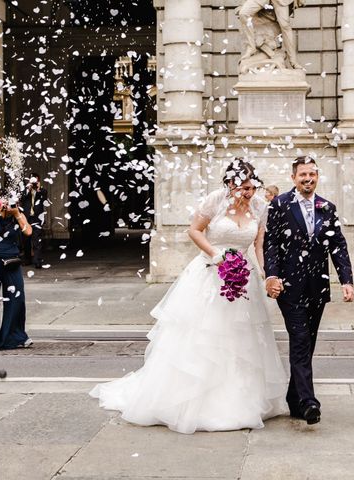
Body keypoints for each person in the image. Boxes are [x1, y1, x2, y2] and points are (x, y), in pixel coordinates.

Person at [91, 159, 288, 434]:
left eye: (251, 187)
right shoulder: (215, 201)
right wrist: (216, 255)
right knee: (205, 336)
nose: (247, 193)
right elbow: (194, 230)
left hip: (243, 279)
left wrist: (266, 275)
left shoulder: (259, 206)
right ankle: (193, 399)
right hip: (210, 273)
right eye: (242, 188)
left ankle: (241, 399)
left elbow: (259, 245)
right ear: (230, 184)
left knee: (242, 340)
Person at [264, 156, 353, 425]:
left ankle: (294, 399)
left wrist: (346, 280)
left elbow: (338, 245)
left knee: (308, 342)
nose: (308, 179)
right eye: (303, 174)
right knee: (300, 338)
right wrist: (272, 275)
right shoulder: (279, 205)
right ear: (293, 178)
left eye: (312, 174)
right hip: (289, 287)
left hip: (317, 285)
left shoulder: (327, 207)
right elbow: (271, 243)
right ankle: (309, 402)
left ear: (317, 176)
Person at [0, 199, 33, 352]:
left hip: (12, 261)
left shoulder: (18, 214)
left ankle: (14, 337)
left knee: (17, 298)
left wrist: (16, 213)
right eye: (5, 202)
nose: (8, 205)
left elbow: (28, 231)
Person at [20, 172, 47, 268]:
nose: (34, 182)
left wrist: (38, 188)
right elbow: (22, 198)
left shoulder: (42, 191)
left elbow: (45, 198)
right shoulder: (25, 190)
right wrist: (28, 188)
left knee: (37, 239)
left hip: (37, 218)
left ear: (39, 181)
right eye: (32, 181)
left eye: (36, 181)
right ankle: (27, 259)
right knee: (26, 239)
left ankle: (37, 261)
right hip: (26, 218)